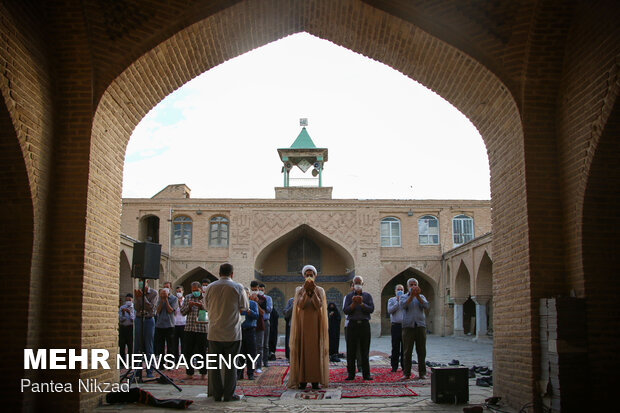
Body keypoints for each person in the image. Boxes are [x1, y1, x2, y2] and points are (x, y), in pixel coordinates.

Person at [204, 263, 249, 402]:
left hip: (214, 332)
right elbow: (245, 307)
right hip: (232, 333)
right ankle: (229, 395)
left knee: (214, 365)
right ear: (232, 274)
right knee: (231, 366)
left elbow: (205, 306)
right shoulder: (237, 287)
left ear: (219, 273)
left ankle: (217, 394)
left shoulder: (210, 287)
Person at [288, 265, 329, 390]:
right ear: (304, 276)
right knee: (302, 351)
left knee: (315, 351)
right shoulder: (299, 290)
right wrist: (306, 292)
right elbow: (300, 305)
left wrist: (313, 292)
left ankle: (315, 380)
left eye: (311, 275)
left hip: (316, 325)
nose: (309, 277)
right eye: (307, 275)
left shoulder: (320, 290)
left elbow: (319, 306)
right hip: (302, 326)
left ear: (315, 276)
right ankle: (302, 380)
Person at [343, 275, 374, 380]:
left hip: (364, 325)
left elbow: (371, 309)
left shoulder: (367, 296)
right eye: (356, 283)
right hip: (352, 325)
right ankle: (351, 374)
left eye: (359, 283)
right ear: (353, 284)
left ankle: (366, 374)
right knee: (351, 351)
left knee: (364, 350)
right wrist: (353, 303)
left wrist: (361, 304)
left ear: (362, 284)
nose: (357, 285)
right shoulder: (348, 296)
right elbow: (346, 310)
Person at [399, 277, 430, 380]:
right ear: (407, 287)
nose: (413, 287)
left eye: (414, 285)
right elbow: (403, 306)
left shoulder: (421, 296)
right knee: (407, 351)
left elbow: (426, 306)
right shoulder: (403, 297)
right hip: (408, 326)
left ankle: (422, 373)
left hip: (420, 326)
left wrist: (417, 297)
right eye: (411, 285)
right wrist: (411, 297)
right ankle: (406, 373)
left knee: (421, 351)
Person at [180, 281, 208, 380]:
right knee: (188, 352)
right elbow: (182, 312)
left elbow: (209, 312)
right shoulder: (188, 297)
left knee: (202, 352)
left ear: (200, 289)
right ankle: (189, 372)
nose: (195, 292)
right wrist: (189, 307)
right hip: (189, 328)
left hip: (202, 329)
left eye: (196, 290)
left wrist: (201, 307)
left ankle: (203, 372)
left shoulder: (205, 298)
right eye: (193, 290)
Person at [134, 279, 158, 379]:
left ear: (147, 281)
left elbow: (151, 308)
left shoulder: (153, 293)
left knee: (149, 346)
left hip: (149, 320)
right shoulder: (137, 292)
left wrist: (142, 297)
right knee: (137, 346)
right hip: (139, 319)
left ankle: (149, 370)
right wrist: (138, 297)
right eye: (139, 280)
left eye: (142, 280)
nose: (141, 282)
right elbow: (136, 308)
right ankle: (137, 371)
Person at [238, 287, 259, 380]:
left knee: (251, 353)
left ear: (248, 295)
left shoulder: (253, 304)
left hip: (250, 331)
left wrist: (249, 311)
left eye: (246, 294)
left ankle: (250, 373)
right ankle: (240, 373)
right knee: (240, 353)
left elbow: (257, 316)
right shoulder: (238, 305)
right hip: (240, 331)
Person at [154, 284, 178, 363]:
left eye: (167, 287)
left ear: (170, 288)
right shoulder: (159, 298)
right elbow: (157, 311)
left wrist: (166, 299)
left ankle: (170, 363)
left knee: (170, 346)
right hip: (160, 325)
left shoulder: (174, 299)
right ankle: (161, 363)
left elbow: (170, 310)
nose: (165, 289)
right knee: (160, 346)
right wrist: (162, 300)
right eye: (164, 287)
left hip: (169, 325)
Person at [387, 284, 405, 372]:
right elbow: (390, 310)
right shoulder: (391, 300)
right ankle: (394, 366)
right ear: (395, 291)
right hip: (395, 326)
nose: (400, 291)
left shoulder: (406, 300)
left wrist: (402, 301)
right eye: (398, 289)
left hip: (405, 326)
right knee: (395, 347)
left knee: (405, 347)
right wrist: (397, 302)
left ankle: (404, 365)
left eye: (401, 289)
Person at [250, 280, 267, 372]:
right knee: (251, 347)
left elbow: (263, 312)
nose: (254, 292)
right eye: (253, 290)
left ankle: (259, 366)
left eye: (256, 290)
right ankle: (251, 365)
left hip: (259, 325)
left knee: (259, 346)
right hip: (250, 325)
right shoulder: (247, 298)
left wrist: (256, 303)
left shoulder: (262, 299)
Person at [119, 293, 135, 360]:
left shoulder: (134, 308)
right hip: (123, 327)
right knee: (122, 345)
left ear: (132, 300)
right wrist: (123, 314)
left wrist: (129, 313)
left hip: (130, 328)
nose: (128, 301)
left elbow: (134, 319)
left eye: (129, 299)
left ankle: (130, 360)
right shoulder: (122, 307)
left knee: (130, 345)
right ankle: (122, 360)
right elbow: (120, 319)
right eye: (127, 299)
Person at [173, 285, 186, 362]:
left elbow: (183, 311)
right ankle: (176, 358)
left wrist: (180, 304)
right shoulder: (174, 301)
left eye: (180, 291)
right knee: (175, 343)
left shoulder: (185, 300)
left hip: (183, 323)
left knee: (184, 343)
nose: (178, 293)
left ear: (183, 292)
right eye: (177, 292)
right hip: (175, 323)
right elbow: (173, 312)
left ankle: (183, 358)